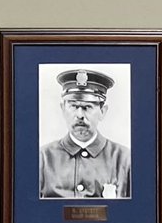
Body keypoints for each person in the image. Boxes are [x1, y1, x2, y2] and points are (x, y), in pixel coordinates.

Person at [39, 69, 131, 199]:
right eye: (73, 106)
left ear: (103, 111)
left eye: (87, 107)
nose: (80, 115)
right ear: (63, 109)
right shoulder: (42, 159)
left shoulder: (124, 160)